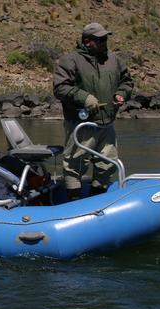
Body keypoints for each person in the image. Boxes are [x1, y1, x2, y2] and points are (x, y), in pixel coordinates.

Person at [53, 22, 134, 201]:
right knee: (75, 164)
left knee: (107, 164)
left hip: (107, 123)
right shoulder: (70, 60)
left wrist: (122, 94)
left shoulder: (114, 60)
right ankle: (73, 201)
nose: (105, 42)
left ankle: (99, 200)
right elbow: (60, 88)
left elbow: (127, 82)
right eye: (101, 39)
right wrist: (85, 98)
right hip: (81, 124)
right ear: (88, 41)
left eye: (106, 38)